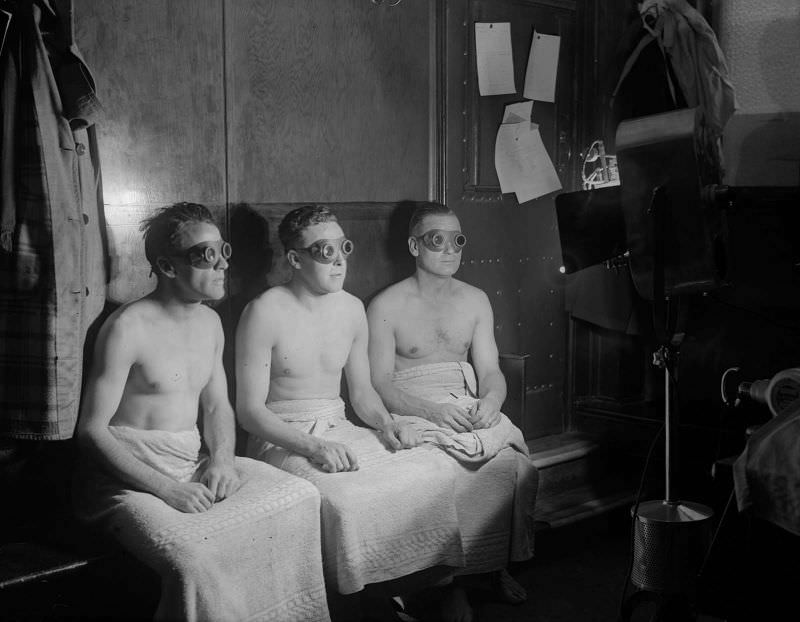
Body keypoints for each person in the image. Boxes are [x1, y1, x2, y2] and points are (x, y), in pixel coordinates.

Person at [74, 202, 330, 622]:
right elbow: (92, 433)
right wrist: (167, 489)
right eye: (205, 256)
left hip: (191, 462)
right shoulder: (127, 328)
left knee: (301, 497)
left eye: (223, 251)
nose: (221, 266)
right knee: (193, 558)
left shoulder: (210, 323)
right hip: (128, 479)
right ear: (167, 267)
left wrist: (223, 461)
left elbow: (216, 405)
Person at [235, 205, 474, 617]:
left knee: (429, 473)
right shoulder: (264, 312)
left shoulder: (350, 309)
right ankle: (363, 603)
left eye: (344, 246)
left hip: (338, 425)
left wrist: (388, 424)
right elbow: (250, 413)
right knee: (345, 497)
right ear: (295, 259)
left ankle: (425, 589)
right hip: (283, 435)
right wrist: (313, 446)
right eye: (325, 251)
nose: (340, 259)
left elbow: (362, 393)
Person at [367, 201, 539, 622]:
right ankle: (449, 587)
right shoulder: (386, 305)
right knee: (444, 474)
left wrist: (492, 403)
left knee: (516, 466)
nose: (449, 249)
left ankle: (494, 566)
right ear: (413, 245)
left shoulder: (476, 301)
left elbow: (490, 370)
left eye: (456, 240)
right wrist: (431, 413)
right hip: (413, 406)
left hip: (466, 401)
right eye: (436, 240)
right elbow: (380, 384)